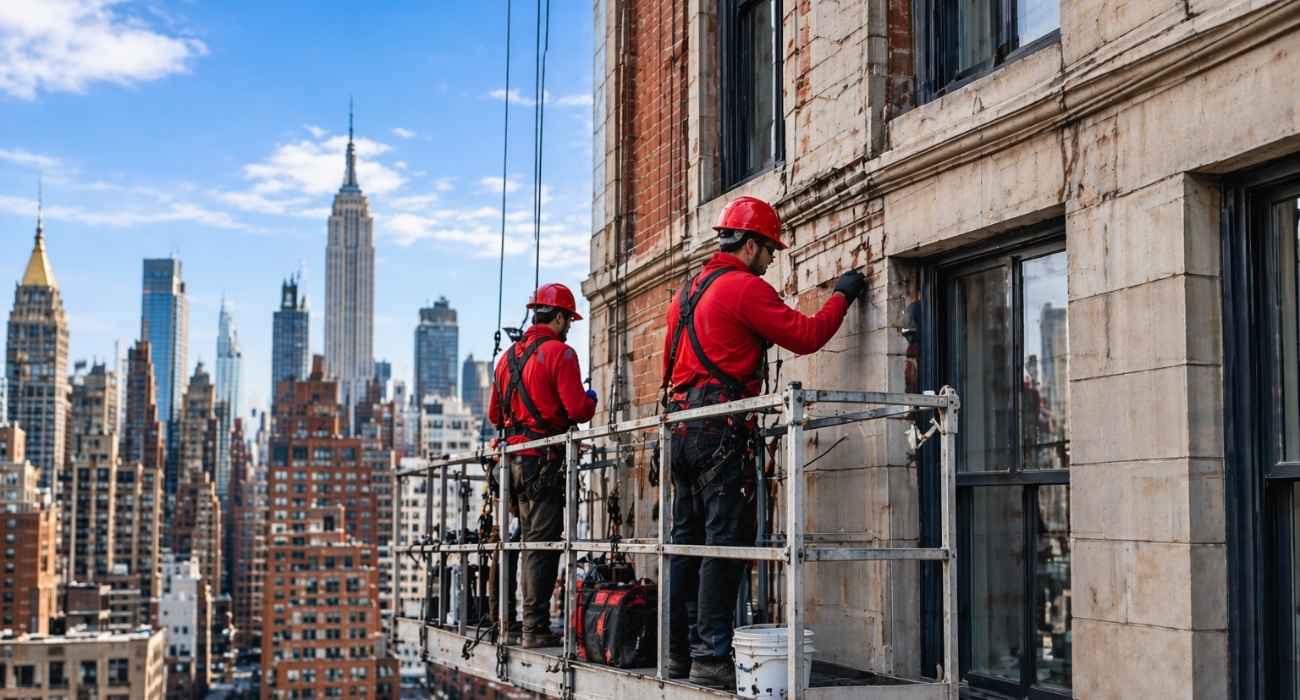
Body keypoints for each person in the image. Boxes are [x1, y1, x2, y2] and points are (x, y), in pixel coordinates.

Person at [662, 195, 867, 687]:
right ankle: (711, 656)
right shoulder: (743, 289)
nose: (772, 260)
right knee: (724, 542)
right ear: (750, 245)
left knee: (686, 545)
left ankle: (677, 655)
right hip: (718, 430)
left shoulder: (687, 293)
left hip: (681, 430)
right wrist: (843, 293)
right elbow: (807, 335)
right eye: (770, 250)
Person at [488, 282, 598, 648]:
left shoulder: (506, 360)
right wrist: (591, 397)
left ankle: (502, 617)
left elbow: (494, 414)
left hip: (509, 464)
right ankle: (534, 628)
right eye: (568, 319)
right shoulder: (560, 354)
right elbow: (577, 410)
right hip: (541, 463)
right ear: (560, 316)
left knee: (511, 541)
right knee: (542, 545)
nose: (570, 327)